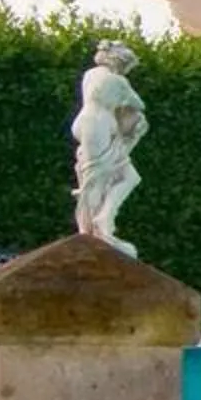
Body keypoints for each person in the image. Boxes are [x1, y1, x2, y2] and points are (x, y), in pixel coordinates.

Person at [71, 41, 150, 257]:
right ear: (119, 62)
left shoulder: (90, 74)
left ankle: (102, 218)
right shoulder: (118, 81)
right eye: (127, 66)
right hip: (98, 126)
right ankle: (93, 231)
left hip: (87, 123)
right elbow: (139, 104)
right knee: (96, 179)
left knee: (127, 176)